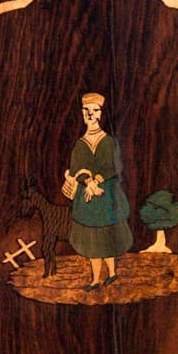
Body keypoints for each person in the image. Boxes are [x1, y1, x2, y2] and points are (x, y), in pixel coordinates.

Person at [62, 92, 133, 290]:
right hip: (87, 198)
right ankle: (94, 279)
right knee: (93, 239)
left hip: (107, 196)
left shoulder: (109, 141)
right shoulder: (79, 144)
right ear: (82, 114)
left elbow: (113, 166)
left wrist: (98, 180)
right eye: (86, 111)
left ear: (100, 114)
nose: (90, 114)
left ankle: (111, 273)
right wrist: (89, 183)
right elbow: (76, 169)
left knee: (107, 235)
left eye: (94, 110)